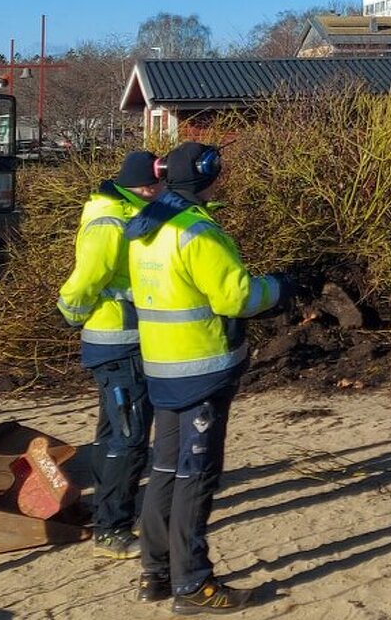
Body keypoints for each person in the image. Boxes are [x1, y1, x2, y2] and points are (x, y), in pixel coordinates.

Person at [124, 142, 289, 613]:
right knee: (196, 476)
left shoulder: (145, 227)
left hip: (162, 366)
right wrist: (280, 287)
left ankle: (155, 573)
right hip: (202, 369)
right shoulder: (197, 232)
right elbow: (236, 298)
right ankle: (193, 585)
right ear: (206, 176)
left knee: (164, 471)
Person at [57, 150, 162, 559]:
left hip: (125, 340)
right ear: (148, 186)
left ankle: (105, 512)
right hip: (117, 339)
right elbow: (88, 277)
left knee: (113, 432)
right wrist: (71, 311)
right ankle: (111, 530)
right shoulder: (111, 218)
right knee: (129, 437)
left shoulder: (129, 211)